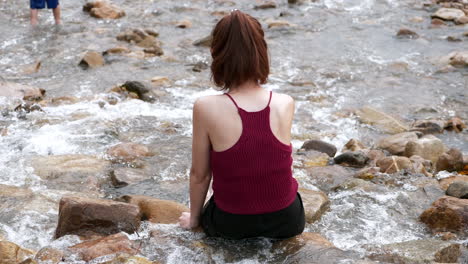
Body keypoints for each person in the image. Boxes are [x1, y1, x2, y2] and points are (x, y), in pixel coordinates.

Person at [178, 10, 305, 240]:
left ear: (216, 54)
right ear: (261, 53)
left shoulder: (205, 107)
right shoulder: (284, 103)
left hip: (231, 223)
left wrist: (194, 219)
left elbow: (200, 175)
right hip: (287, 221)